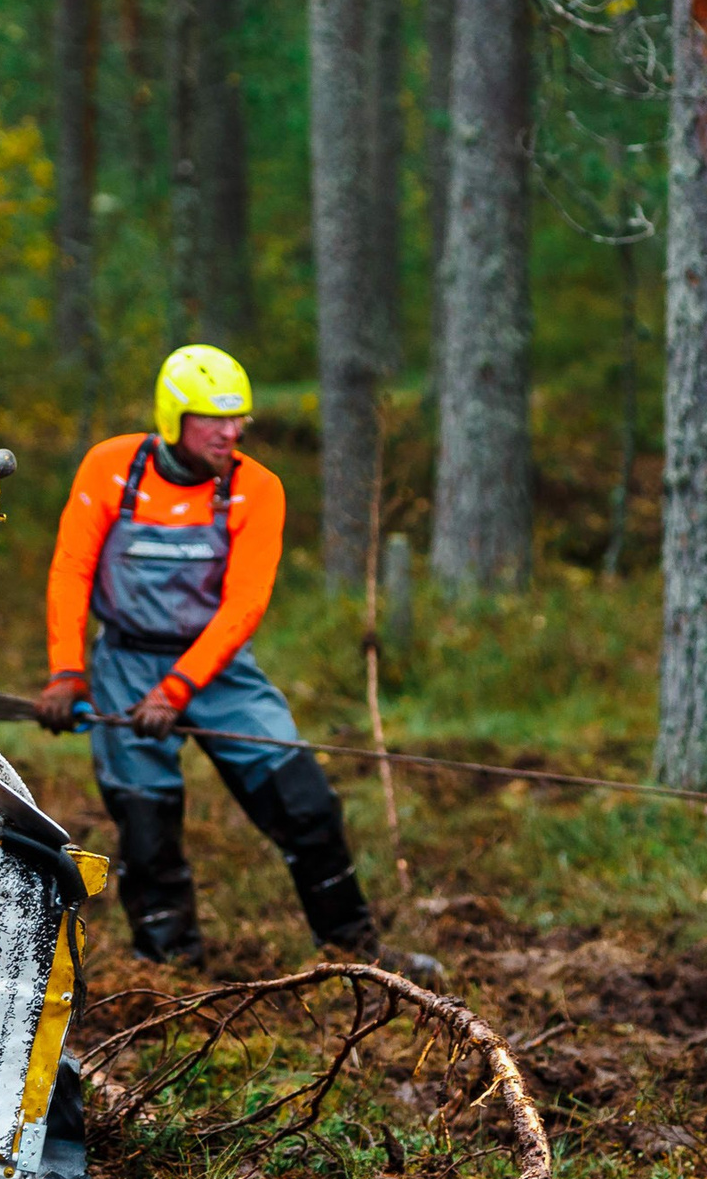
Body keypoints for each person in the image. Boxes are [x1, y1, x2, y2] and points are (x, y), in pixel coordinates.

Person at [37, 345, 433, 977]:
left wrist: (178, 687)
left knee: (306, 803)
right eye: (212, 418)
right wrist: (66, 672)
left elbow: (244, 604)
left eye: (238, 417)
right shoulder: (111, 468)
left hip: (220, 672)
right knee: (147, 824)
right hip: (125, 663)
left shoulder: (257, 488)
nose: (230, 431)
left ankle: (353, 948)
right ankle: (168, 967)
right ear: (174, 417)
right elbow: (71, 571)